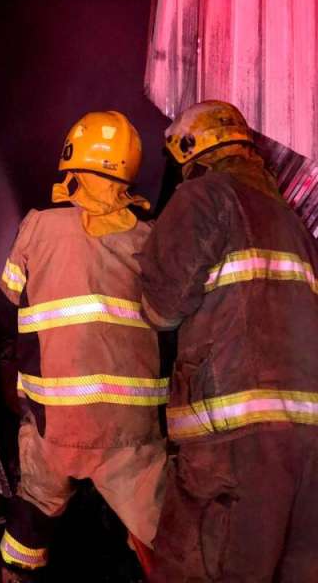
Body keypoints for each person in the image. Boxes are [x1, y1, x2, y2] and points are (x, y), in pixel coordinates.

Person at [139, 100, 318, 582]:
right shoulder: (295, 226)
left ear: (192, 152)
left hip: (231, 453)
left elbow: (161, 309)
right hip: (308, 452)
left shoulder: (203, 198)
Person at [0, 111, 168, 580]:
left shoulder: (38, 226)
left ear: (70, 159)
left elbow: (8, 298)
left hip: (55, 423)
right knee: (165, 539)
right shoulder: (149, 240)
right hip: (128, 432)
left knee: (32, 516)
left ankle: (15, 575)